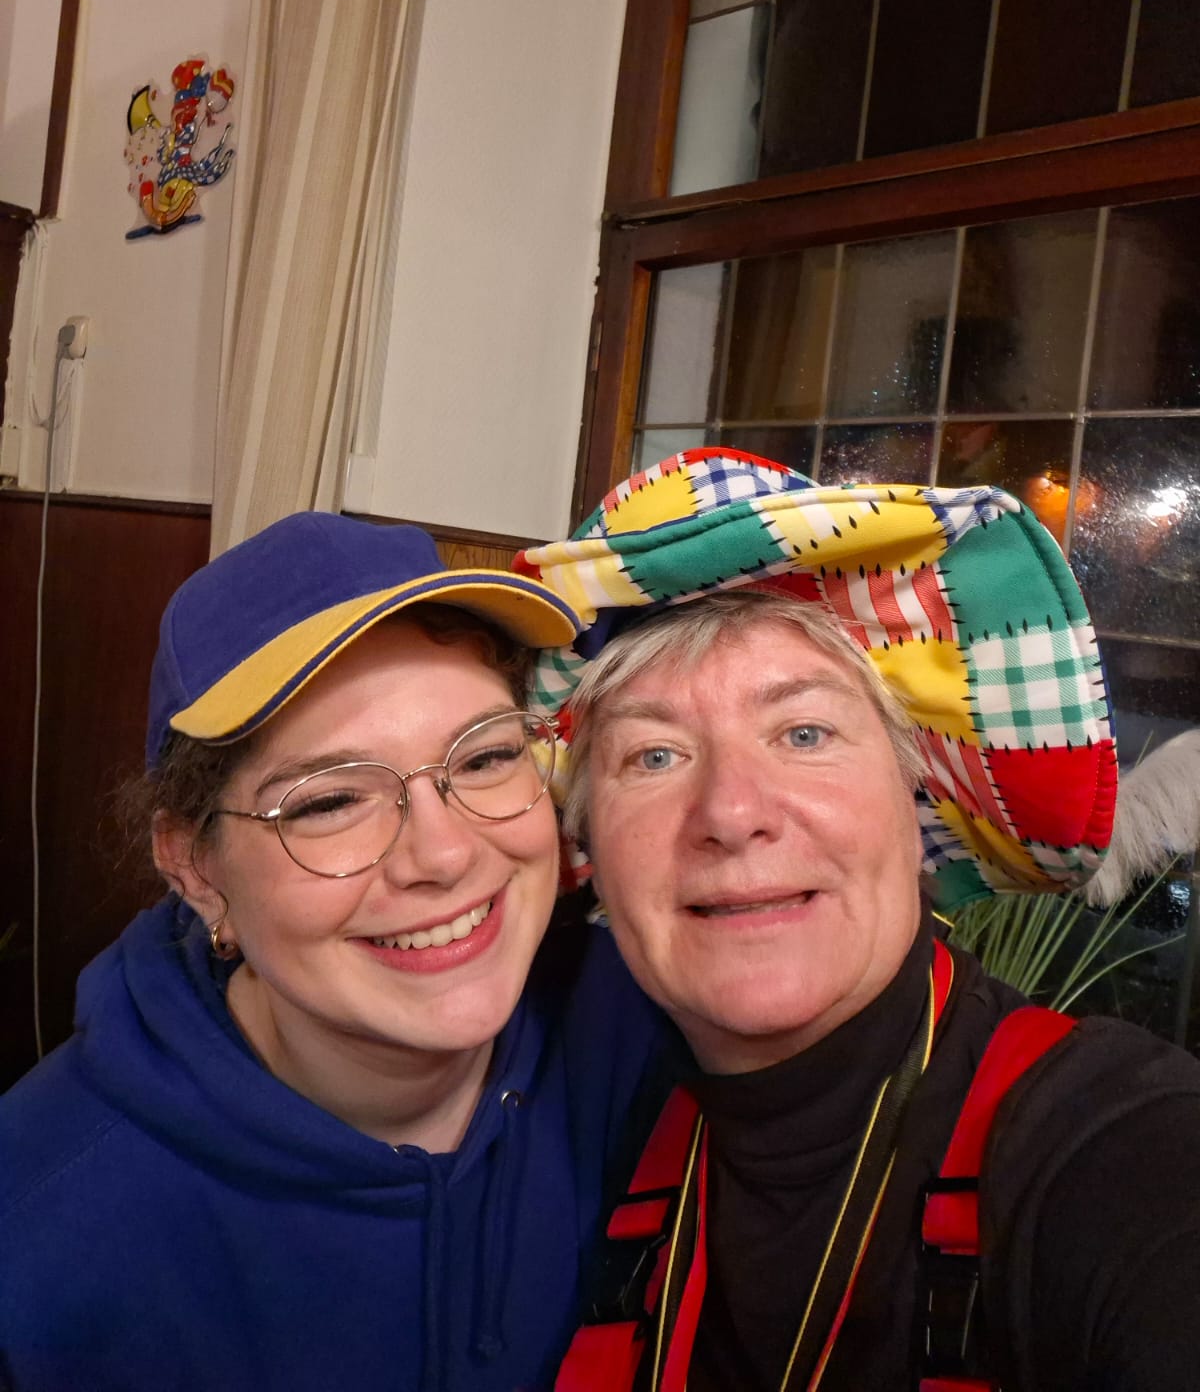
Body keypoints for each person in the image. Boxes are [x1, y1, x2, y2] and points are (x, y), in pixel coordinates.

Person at [517, 447, 1200, 1392]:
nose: (731, 813)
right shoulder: (578, 1128)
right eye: (654, 756)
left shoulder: (1114, 1147)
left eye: (804, 733)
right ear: (590, 841)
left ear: (918, 802)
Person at [0, 513, 668, 1392]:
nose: (444, 855)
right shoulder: (34, 1236)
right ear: (196, 869)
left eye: (485, 757)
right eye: (328, 802)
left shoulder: (657, 1035)